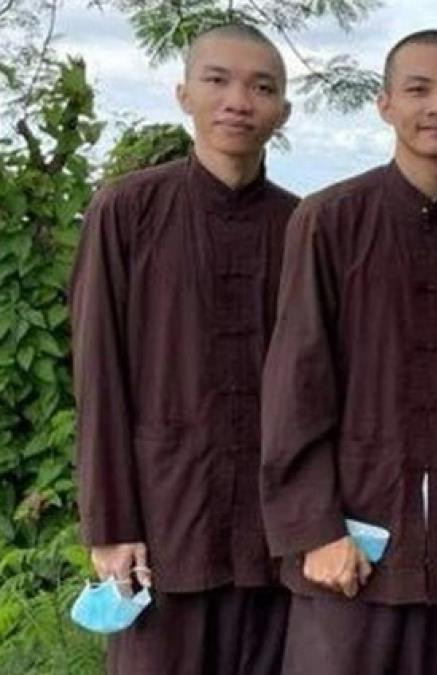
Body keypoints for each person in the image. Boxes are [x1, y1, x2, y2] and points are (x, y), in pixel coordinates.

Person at [258, 29, 437, 674]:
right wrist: (316, 529)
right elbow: (296, 383)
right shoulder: (329, 220)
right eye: (418, 90)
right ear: (385, 104)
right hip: (348, 539)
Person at [71, 23, 297, 675]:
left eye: (261, 88)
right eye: (217, 80)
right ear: (184, 94)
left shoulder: (302, 224)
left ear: (282, 110)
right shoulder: (127, 210)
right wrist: (110, 525)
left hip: (271, 533)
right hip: (164, 522)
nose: (238, 101)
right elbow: (99, 373)